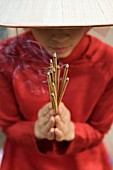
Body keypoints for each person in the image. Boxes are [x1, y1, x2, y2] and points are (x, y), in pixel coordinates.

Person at [0, 1, 113, 170]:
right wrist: (35, 130)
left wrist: (72, 131)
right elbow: (8, 124)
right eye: (46, 26)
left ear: (89, 24)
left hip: (83, 163)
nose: (60, 37)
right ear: (27, 22)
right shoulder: (6, 56)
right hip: (24, 162)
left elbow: (98, 129)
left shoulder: (107, 60)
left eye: (73, 24)